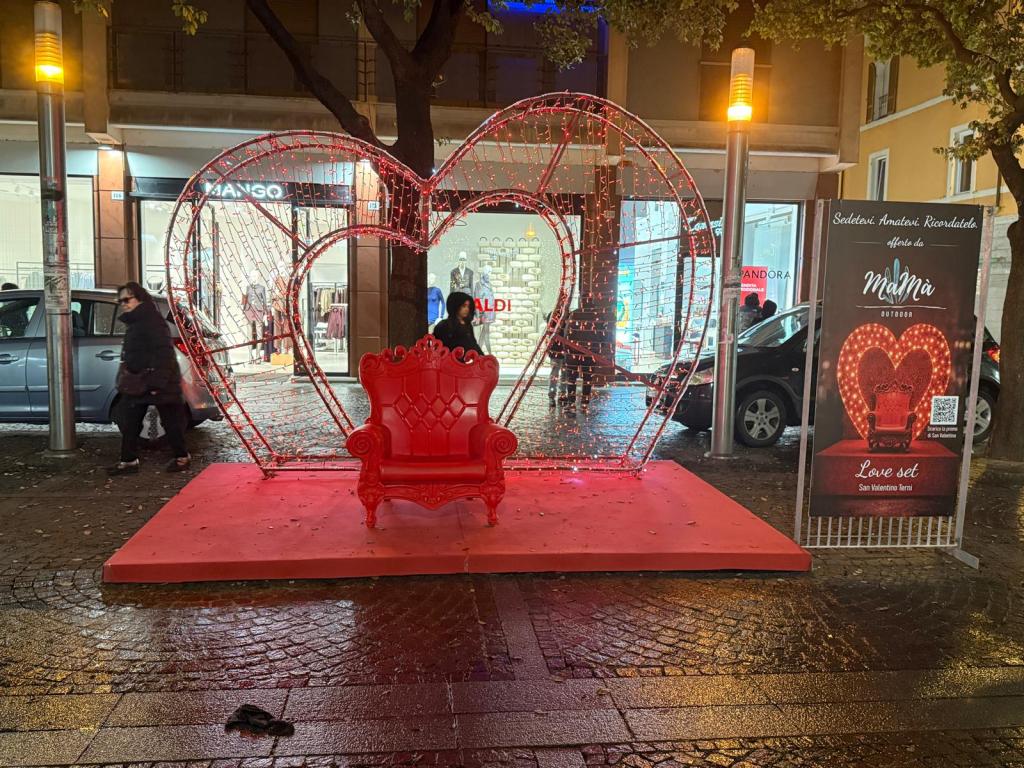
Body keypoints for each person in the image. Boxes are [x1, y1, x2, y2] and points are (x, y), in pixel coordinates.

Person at [107, 282, 191, 476]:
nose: (124, 304)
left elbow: (164, 353)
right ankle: (128, 461)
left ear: (140, 298)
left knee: (171, 422)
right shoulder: (136, 321)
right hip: (139, 381)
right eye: (121, 301)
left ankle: (182, 457)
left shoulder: (151, 321)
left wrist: (157, 383)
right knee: (130, 421)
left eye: (127, 299)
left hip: (157, 382)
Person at [432, 291, 483, 356]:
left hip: (467, 362)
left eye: (468, 306)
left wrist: (483, 358)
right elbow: (439, 347)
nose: (467, 309)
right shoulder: (444, 325)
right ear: (456, 306)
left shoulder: (468, 325)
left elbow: (473, 344)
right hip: (450, 362)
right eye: (464, 306)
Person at [545, 311, 567, 407]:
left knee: (563, 374)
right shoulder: (554, 314)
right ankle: (553, 396)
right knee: (556, 374)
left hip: (563, 349)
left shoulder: (557, 313)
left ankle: (560, 394)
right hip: (557, 349)